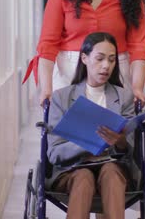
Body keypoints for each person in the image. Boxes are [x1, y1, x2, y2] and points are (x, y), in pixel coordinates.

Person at [47, 32, 138, 219]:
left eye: (112, 60)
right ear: (84, 58)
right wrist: (87, 143)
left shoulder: (124, 98)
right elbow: (54, 153)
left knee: (111, 173)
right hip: (72, 169)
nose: (106, 66)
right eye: (100, 59)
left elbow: (132, 149)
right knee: (83, 177)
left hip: (113, 166)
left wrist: (119, 142)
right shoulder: (61, 98)